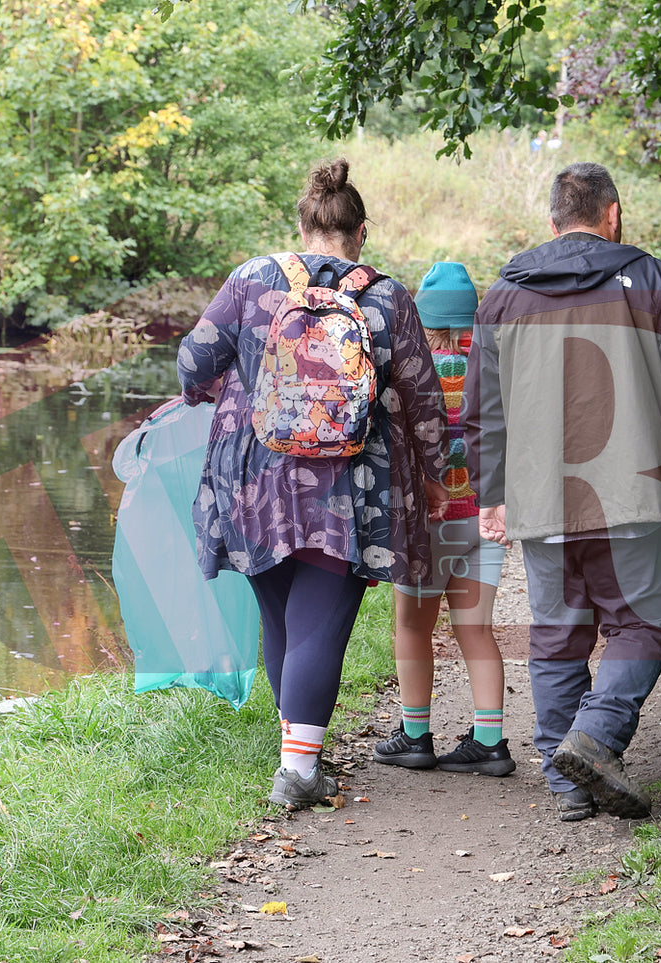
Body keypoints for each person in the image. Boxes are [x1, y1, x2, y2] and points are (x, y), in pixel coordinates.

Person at [464, 162, 661, 822]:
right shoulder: (650, 280)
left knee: (558, 635)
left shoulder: (504, 292)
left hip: (540, 495)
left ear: (553, 221)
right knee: (642, 623)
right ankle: (590, 743)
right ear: (611, 214)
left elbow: (483, 407)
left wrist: (492, 490)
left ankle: (568, 781)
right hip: (634, 491)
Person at [177, 158, 448, 809]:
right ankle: (297, 771)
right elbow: (422, 397)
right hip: (347, 487)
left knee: (283, 618)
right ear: (359, 233)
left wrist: (213, 388)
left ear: (300, 224)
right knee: (320, 621)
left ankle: (298, 754)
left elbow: (193, 358)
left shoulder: (252, 279)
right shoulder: (384, 295)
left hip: (253, 477)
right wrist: (438, 476)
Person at [373, 262, 515, 776]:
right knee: (476, 630)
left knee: (412, 626)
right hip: (483, 521)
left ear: (421, 317)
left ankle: (414, 736)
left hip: (427, 524)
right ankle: (490, 741)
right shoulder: (493, 370)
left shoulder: (411, 371)